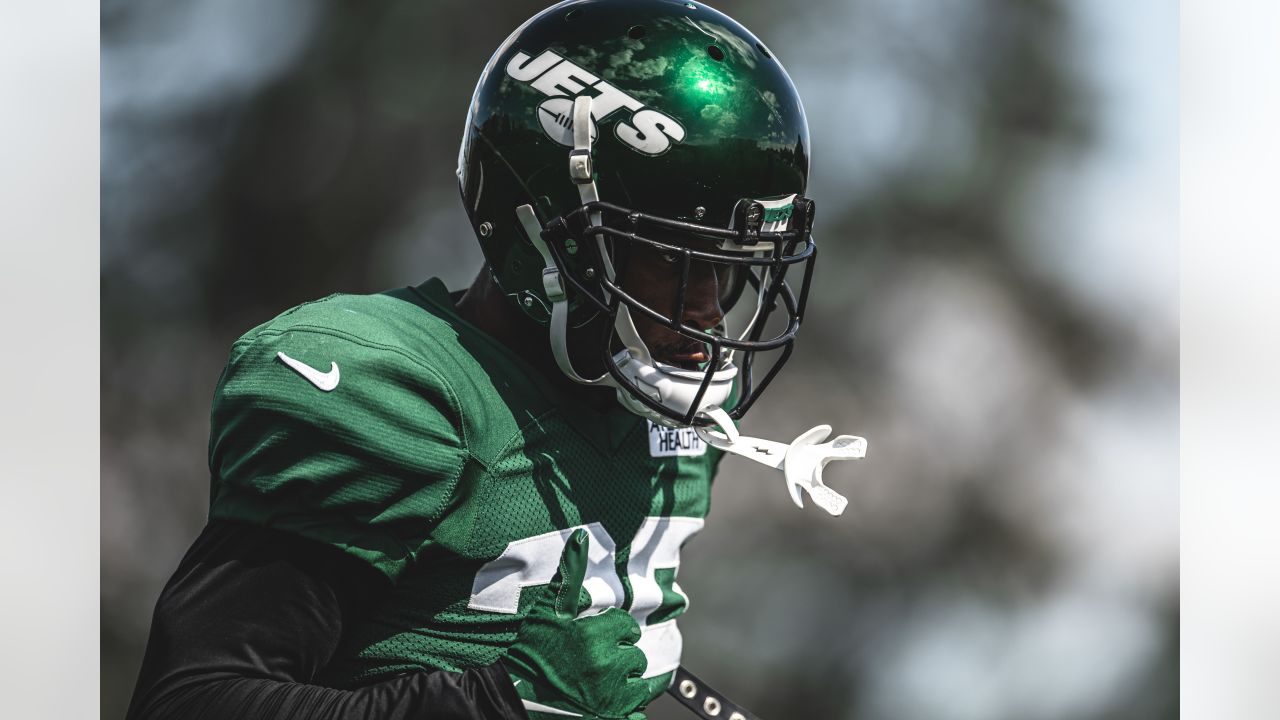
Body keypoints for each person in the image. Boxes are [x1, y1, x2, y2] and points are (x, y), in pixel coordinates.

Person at [126, 1, 865, 718]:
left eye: (728, 270)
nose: (706, 318)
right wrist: (494, 705)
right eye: (670, 266)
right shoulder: (396, 393)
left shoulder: (676, 415)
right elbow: (191, 699)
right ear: (548, 234)